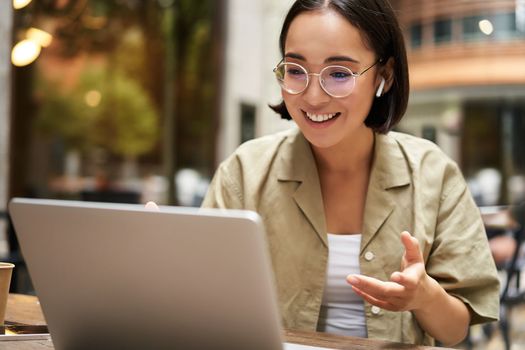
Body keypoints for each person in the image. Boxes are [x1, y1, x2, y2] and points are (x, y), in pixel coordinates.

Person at [202, 0, 499, 346]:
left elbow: (455, 330)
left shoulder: (434, 174)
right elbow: (207, 304)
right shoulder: (244, 173)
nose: (313, 97)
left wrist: (424, 297)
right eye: (296, 71)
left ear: (384, 77)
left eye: (339, 74)